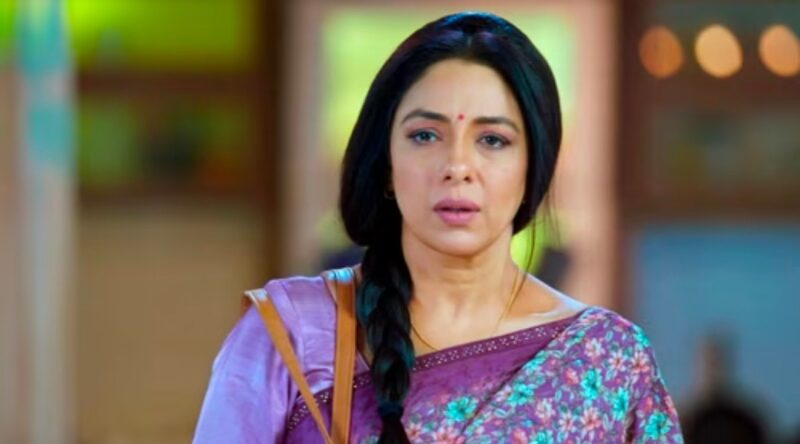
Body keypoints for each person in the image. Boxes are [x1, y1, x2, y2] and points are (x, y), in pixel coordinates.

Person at [193, 11, 683, 443]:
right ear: (386, 162)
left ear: (533, 167)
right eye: (425, 135)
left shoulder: (607, 360)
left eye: (492, 140)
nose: (457, 166)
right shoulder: (290, 335)